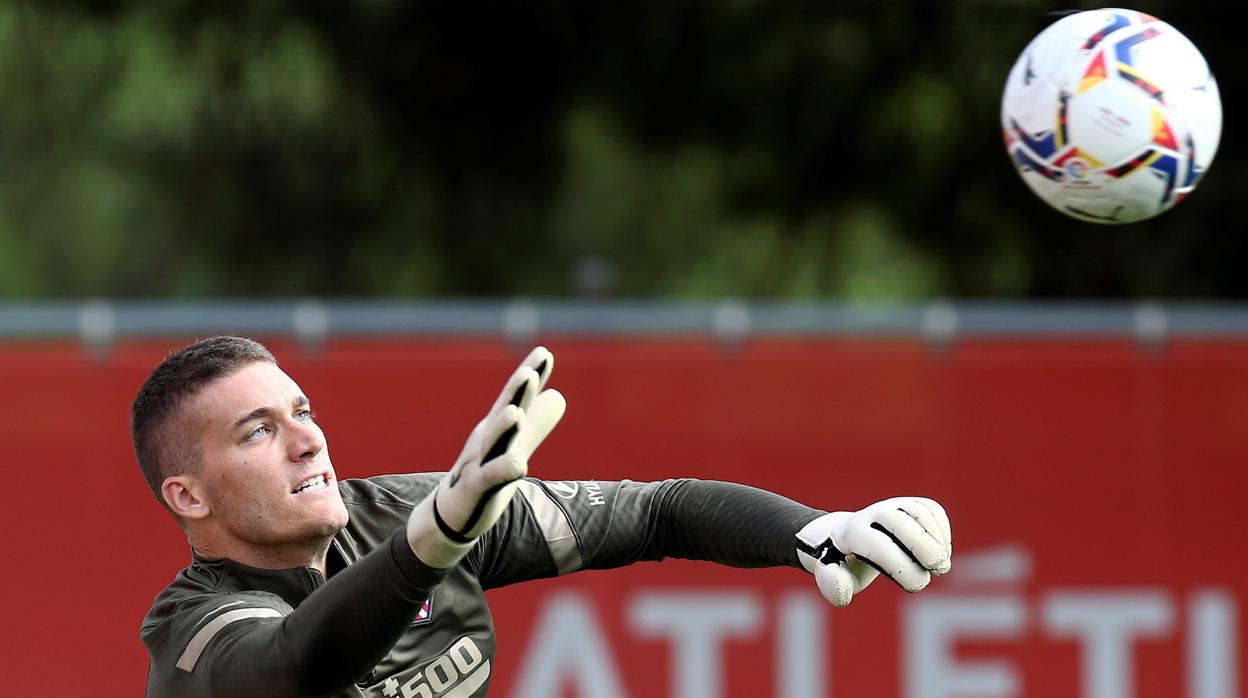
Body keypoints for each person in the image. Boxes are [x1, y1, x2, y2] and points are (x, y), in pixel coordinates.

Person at [135, 336, 952, 698]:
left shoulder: (405, 515)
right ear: (188, 496)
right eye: (259, 431)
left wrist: (817, 530)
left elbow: (657, 513)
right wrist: (435, 539)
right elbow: (297, 663)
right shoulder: (196, 633)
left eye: (303, 409)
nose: (307, 438)